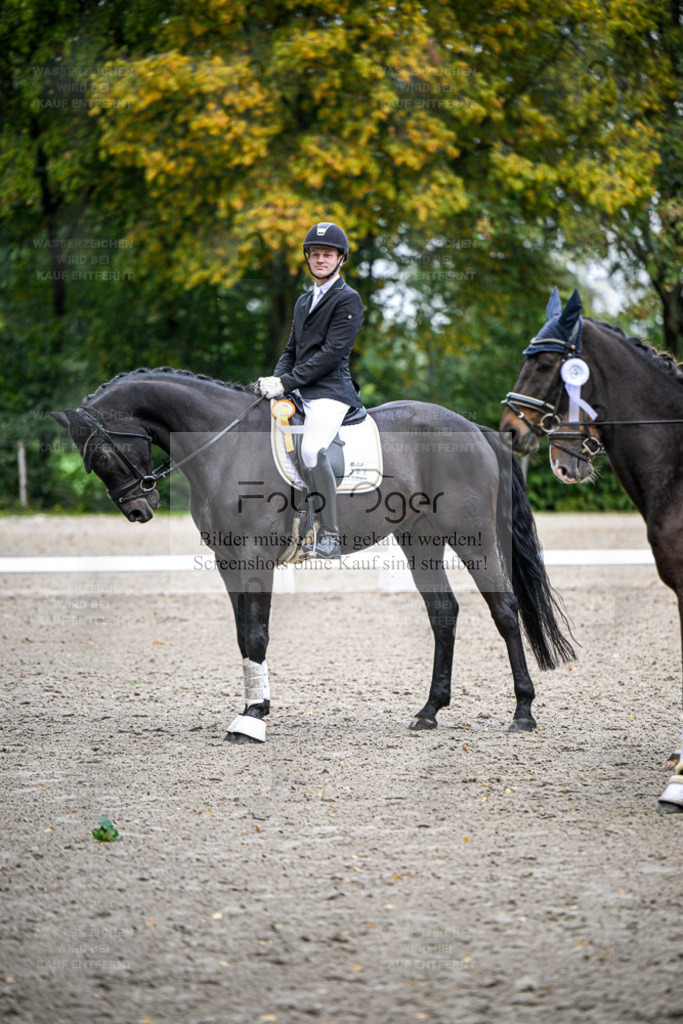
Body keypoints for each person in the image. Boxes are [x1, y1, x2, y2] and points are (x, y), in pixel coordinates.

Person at [256, 222, 364, 559]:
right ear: (308, 258)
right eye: (315, 254)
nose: (320, 259)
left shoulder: (348, 300)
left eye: (327, 254)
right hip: (299, 391)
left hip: (331, 393)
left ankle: (329, 535)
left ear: (340, 259)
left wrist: (287, 383)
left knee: (311, 450)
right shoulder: (304, 301)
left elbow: (330, 355)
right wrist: (274, 383)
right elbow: (291, 350)